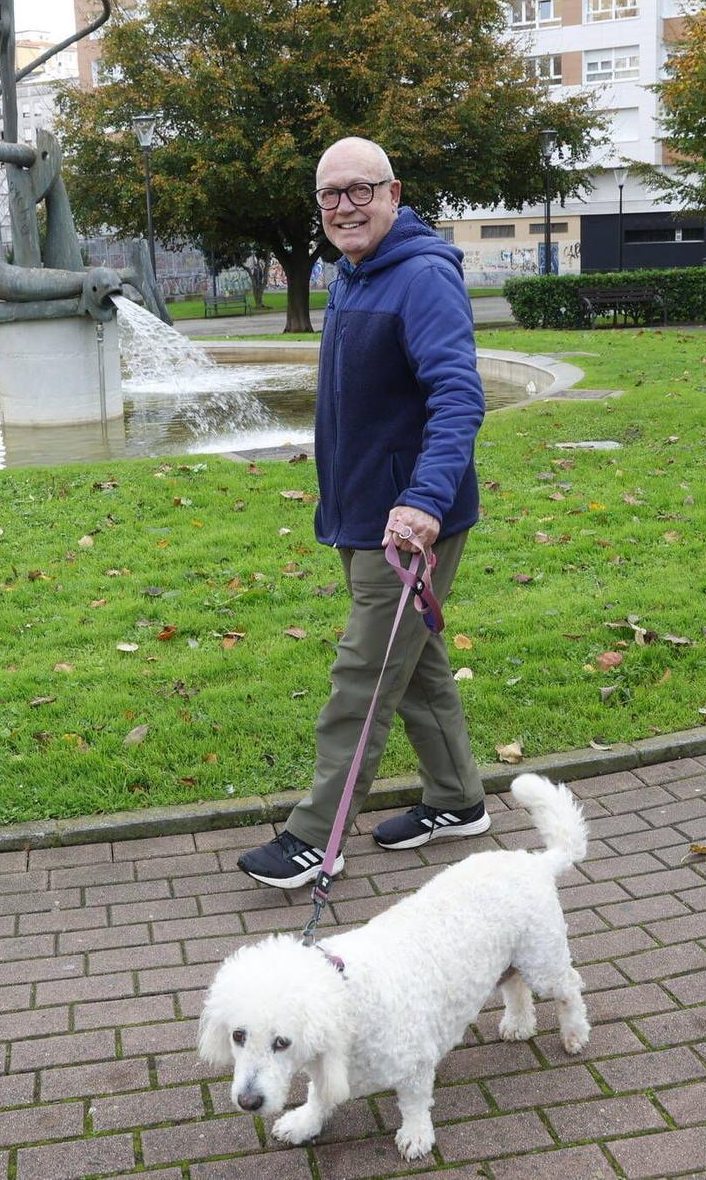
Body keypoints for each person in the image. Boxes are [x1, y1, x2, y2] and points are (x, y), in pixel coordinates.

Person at [238, 136, 489, 889]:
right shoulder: (350, 274)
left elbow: (458, 397)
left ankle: (317, 835)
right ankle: (458, 799)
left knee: (366, 673)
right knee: (411, 667)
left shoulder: (421, 278)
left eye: (360, 190)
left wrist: (421, 502)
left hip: (410, 523)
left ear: (393, 192)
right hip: (361, 516)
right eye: (329, 195)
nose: (344, 206)